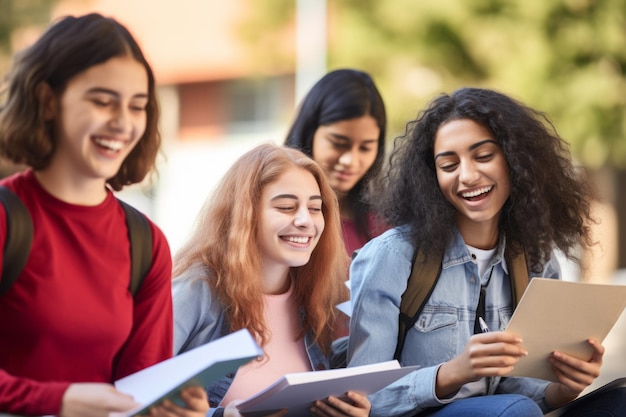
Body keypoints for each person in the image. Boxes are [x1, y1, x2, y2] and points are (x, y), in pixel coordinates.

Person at [347, 87, 626, 416]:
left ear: (515, 160)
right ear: (431, 176)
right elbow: (362, 398)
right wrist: (452, 373)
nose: (466, 176)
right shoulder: (394, 255)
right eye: (449, 164)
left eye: (483, 156)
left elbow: (523, 389)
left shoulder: (536, 258)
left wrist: (562, 389)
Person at [0, 13, 208, 416]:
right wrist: (57, 401)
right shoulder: (8, 220)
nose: (123, 123)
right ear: (47, 101)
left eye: (137, 106)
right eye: (102, 101)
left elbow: (142, 383)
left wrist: (167, 406)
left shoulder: (146, 243)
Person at [172, 143, 371, 417]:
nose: (305, 220)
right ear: (245, 213)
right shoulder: (199, 290)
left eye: (315, 208)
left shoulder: (316, 295)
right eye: (286, 207)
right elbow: (137, 399)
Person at [284, 68, 388, 257]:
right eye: (338, 143)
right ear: (310, 133)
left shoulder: (385, 228)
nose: (350, 160)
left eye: (365, 148)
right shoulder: (270, 215)